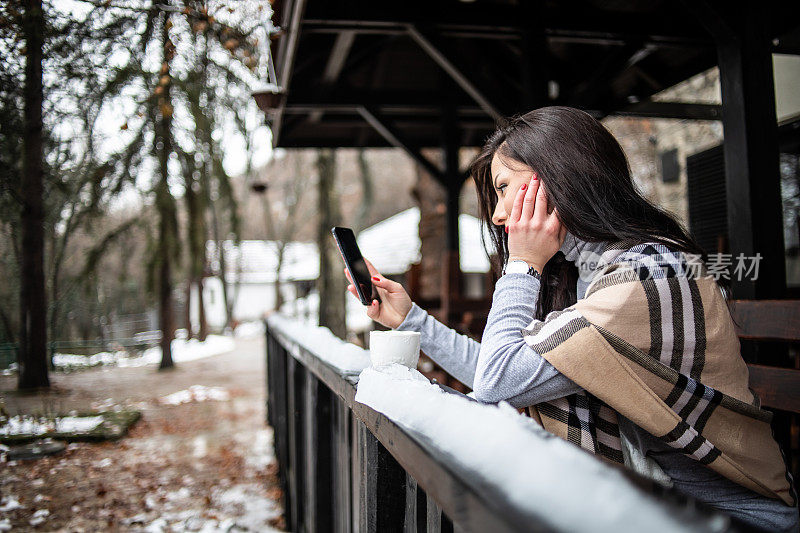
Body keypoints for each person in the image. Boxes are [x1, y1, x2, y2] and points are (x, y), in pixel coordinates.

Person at [344, 107, 800, 532]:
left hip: (726, 519)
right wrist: (413, 320)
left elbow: (497, 382)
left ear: (558, 179)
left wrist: (521, 265)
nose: (499, 214)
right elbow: (511, 373)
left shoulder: (646, 273)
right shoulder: (586, 270)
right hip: (654, 504)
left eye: (503, 188)